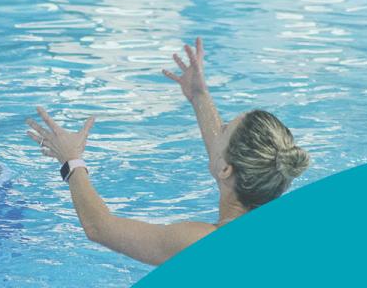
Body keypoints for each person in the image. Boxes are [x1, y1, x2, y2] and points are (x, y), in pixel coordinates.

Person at [26, 38, 310, 265]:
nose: (217, 129)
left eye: (223, 129)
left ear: (227, 170)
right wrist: (199, 96)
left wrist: (71, 159)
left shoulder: (197, 244)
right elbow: (224, 158)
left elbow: (100, 228)